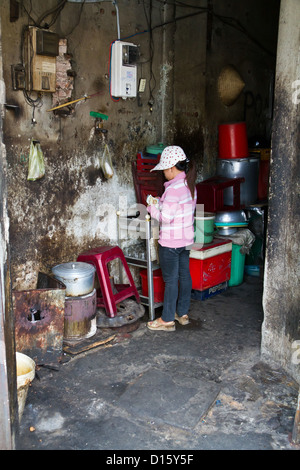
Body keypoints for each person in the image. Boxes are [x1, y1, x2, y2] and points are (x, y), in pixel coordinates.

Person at [146, 145, 197, 331]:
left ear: (170, 168)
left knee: (171, 280)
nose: (163, 174)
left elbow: (166, 218)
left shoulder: (174, 189)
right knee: (184, 275)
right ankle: (182, 313)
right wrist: (161, 202)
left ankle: (167, 319)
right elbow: (181, 210)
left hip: (170, 243)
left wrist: (151, 208)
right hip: (185, 240)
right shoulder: (189, 185)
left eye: (164, 170)